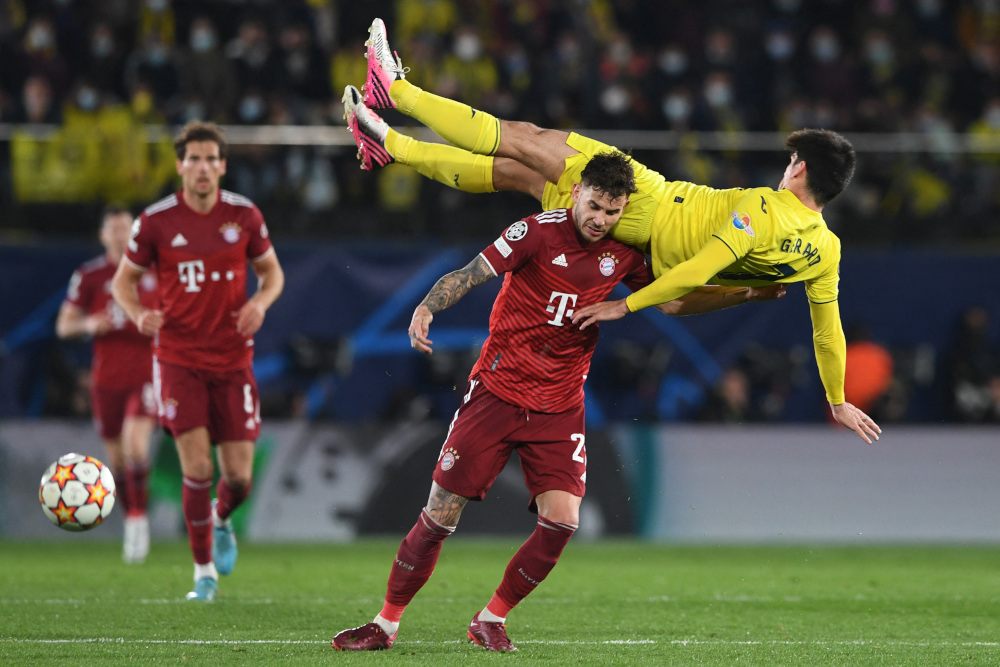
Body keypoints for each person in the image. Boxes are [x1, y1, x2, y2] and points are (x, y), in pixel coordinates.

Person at [342, 18, 881, 445]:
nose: (787, 165)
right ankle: (391, 145)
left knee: (525, 141)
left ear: (802, 168)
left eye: (792, 159)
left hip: (646, 200)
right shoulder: (824, 251)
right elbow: (825, 331)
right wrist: (835, 398)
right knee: (520, 175)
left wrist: (628, 306)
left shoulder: (765, 207)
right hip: (644, 252)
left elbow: (702, 264)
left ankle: (397, 91)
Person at [331, 151, 785, 653]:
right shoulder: (535, 233)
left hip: (560, 405)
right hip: (497, 394)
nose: (601, 220)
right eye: (594, 206)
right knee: (440, 516)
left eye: (612, 211)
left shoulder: (626, 248)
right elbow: (471, 273)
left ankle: (491, 618)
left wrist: (742, 293)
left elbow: (674, 300)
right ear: (575, 193)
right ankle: (385, 624)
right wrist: (425, 307)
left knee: (563, 521)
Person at [111, 121, 285, 602]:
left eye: (211, 159)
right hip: (178, 359)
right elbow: (122, 283)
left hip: (233, 361)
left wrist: (259, 305)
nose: (203, 167)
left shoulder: (245, 215)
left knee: (238, 479)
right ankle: (203, 573)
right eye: (194, 159)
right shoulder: (156, 221)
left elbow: (272, 276)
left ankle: (222, 518)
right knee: (197, 469)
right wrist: (137, 313)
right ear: (180, 166)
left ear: (223, 166)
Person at [56, 206, 158, 564]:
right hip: (107, 380)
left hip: (146, 374)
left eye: (126, 228)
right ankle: (133, 517)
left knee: (135, 446)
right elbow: (64, 325)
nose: (120, 234)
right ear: (103, 236)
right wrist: (89, 324)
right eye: (113, 229)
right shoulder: (90, 275)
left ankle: (137, 521)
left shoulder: (155, 271)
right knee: (116, 460)